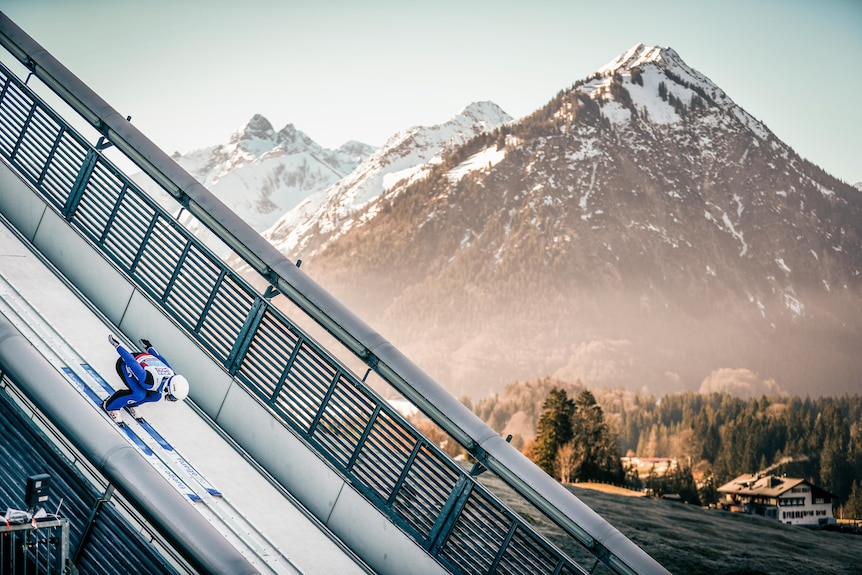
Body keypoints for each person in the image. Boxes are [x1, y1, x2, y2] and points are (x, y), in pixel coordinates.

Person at [102, 334, 189, 423]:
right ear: (168, 389)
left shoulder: (172, 375)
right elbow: (132, 363)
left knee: (156, 396)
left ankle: (132, 403)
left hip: (144, 362)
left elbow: (162, 360)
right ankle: (111, 406)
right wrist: (117, 346)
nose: (173, 401)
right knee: (139, 394)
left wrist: (149, 348)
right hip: (125, 363)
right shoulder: (149, 381)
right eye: (173, 398)